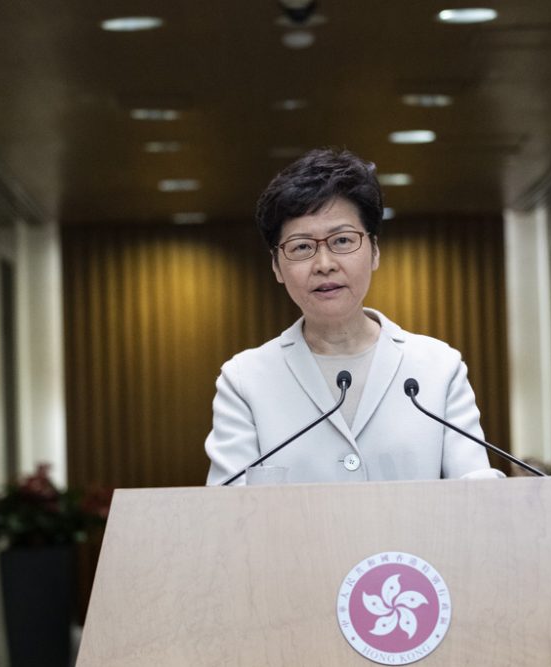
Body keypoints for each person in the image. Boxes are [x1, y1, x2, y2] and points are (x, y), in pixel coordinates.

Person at [204, 148, 503, 484]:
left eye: (342, 240)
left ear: (374, 251)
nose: (324, 264)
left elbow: (475, 494)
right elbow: (228, 514)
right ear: (276, 266)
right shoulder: (244, 381)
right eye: (302, 247)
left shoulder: (438, 366)